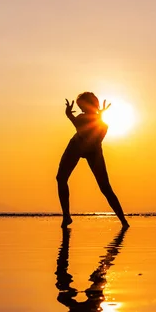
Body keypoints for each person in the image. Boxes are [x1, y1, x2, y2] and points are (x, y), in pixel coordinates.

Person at [56, 92, 129, 228]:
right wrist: (70, 115)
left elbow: (94, 137)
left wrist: (95, 118)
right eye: (81, 107)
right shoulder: (83, 118)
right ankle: (66, 216)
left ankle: (123, 221)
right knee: (61, 178)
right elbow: (79, 125)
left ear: (92, 105)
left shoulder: (102, 125)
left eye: (84, 106)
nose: (82, 109)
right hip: (76, 145)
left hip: (93, 151)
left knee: (105, 187)